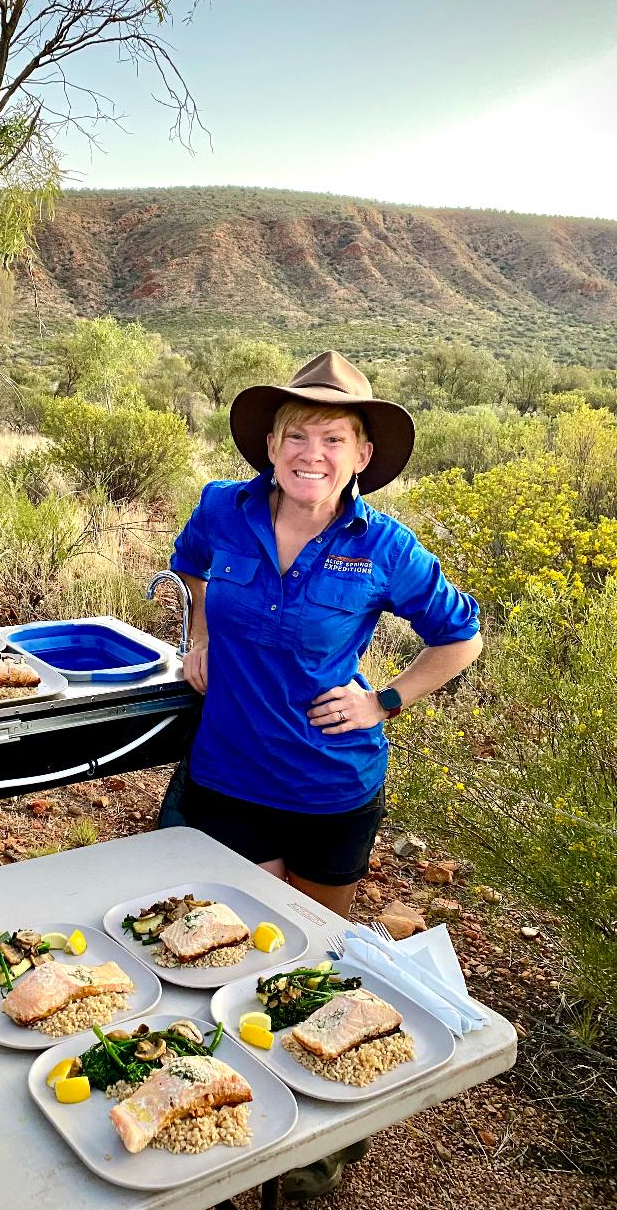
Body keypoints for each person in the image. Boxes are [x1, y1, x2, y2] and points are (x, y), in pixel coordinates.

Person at [170, 350, 482, 1198]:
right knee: (212, 968)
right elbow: (190, 566)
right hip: (228, 780)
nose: (313, 451)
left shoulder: (385, 547)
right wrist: (198, 635)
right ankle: (212, 1125)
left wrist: (385, 698)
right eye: (296, 433)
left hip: (330, 791)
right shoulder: (222, 510)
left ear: (362, 455)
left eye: (333, 437)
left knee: (301, 969)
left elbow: (462, 637)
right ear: (270, 445)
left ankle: (298, 1152)